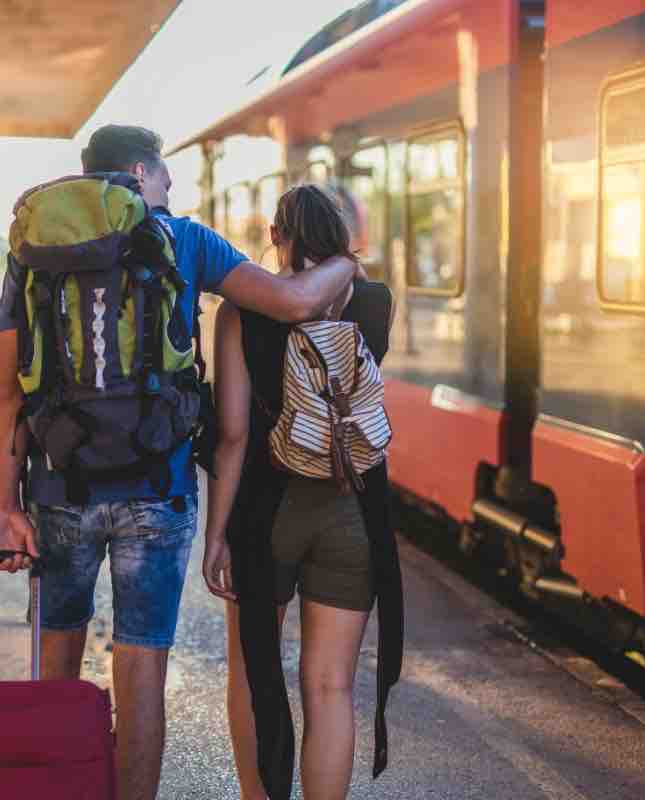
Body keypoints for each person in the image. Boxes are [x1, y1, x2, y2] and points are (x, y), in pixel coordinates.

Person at [0, 125, 359, 800]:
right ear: (140, 172)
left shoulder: (33, 246)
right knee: (141, 673)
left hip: (58, 488)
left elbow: (9, 390)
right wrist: (347, 264)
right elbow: (295, 300)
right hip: (156, 491)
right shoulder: (182, 238)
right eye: (165, 179)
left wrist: (4, 507)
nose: (169, 192)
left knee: (55, 667)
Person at [202, 185, 404, 800]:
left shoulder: (241, 312)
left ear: (275, 235)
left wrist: (217, 536)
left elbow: (233, 437)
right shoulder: (373, 303)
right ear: (339, 237)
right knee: (330, 686)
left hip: (268, 510)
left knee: (253, 675)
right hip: (353, 506)